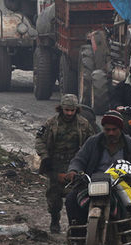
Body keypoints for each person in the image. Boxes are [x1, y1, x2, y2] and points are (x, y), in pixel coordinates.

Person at [65, 110, 131, 225]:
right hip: (93, 183)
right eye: (107, 130)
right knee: (71, 199)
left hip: (120, 184)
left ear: (120, 129)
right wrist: (73, 170)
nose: (111, 133)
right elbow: (79, 160)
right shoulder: (93, 142)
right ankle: (77, 231)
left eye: (114, 130)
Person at [35, 94, 99, 233]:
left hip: (75, 164)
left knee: (76, 196)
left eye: (72, 110)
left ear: (76, 110)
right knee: (54, 196)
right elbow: (39, 139)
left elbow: (93, 143)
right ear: (61, 109)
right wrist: (45, 157)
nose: (69, 113)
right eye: (66, 110)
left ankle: (75, 224)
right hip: (55, 164)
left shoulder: (83, 124)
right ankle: (54, 219)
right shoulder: (51, 123)